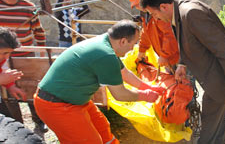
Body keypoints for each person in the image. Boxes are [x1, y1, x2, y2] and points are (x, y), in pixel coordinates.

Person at [140, 0, 225, 144]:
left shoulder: (191, 13)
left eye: (154, 14)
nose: (155, 19)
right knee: (215, 120)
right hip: (211, 74)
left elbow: (222, 47)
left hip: (219, 73)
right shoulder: (176, 10)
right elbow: (185, 41)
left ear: (163, 6)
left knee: (211, 122)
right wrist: (182, 65)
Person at [34, 20, 166, 144]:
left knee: (103, 130)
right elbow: (120, 95)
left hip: (75, 101)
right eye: (133, 44)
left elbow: (124, 73)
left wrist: (149, 87)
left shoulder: (105, 44)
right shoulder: (105, 54)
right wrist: (145, 96)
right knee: (90, 141)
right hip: (56, 105)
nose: (132, 49)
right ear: (123, 41)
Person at [0, 0, 47, 132]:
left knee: (32, 87)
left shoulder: (28, 7)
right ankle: (17, 124)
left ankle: (39, 120)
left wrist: (41, 53)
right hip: (2, 56)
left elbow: (39, 32)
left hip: (25, 55)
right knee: (7, 94)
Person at [128, 0, 179, 72]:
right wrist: (142, 50)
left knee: (186, 83)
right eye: (135, 6)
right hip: (168, 60)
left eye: (138, 4)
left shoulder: (158, 12)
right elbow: (146, 32)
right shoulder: (145, 14)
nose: (138, 7)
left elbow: (170, 34)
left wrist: (164, 56)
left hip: (177, 57)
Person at [0, 27, 27, 117]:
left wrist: (10, 85)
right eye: (3, 53)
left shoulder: (2, 59)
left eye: (8, 53)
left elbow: (3, 70)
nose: (6, 57)